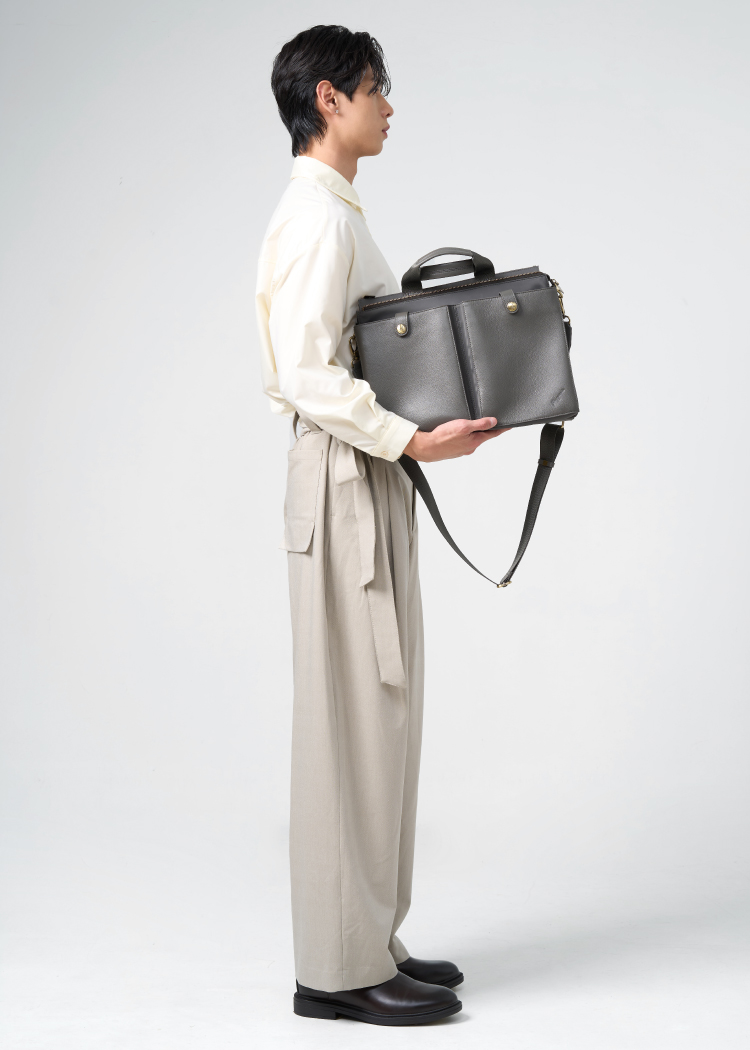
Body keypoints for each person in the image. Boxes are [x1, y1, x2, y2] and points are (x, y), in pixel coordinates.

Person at [255, 24, 506, 1026]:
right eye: (375, 89)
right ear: (329, 99)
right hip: (346, 473)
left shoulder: (335, 210)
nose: (388, 106)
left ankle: (372, 940)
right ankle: (336, 970)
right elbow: (305, 373)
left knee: (381, 713)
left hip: (364, 470)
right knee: (350, 722)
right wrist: (412, 440)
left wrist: (407, 442)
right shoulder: (318, 218)